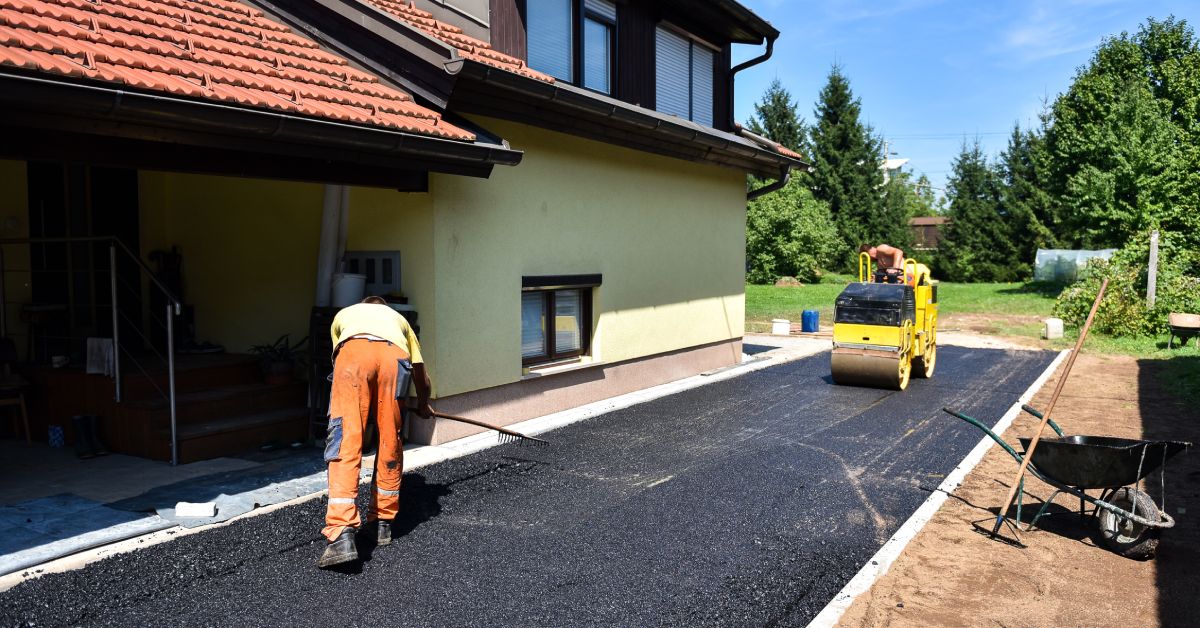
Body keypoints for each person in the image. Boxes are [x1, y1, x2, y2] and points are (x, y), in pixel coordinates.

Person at [318, 295, 433, 569]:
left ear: (364, 303)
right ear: (384, 307)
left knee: (346, 437)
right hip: (395, 359)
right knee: (390, 438)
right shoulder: (399, 320)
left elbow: (341, 359)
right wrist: (425, 404)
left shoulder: (345, 314)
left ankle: (341, 533)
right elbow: (420, 372)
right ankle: (382, 523)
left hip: (353, 355)